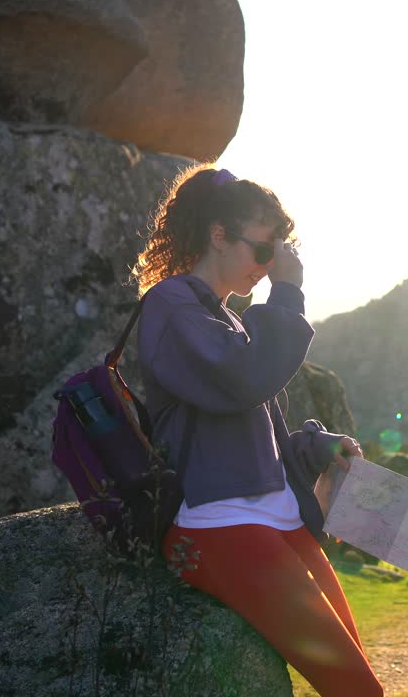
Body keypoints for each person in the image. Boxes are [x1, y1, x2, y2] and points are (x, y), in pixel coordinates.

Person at [131, 164, 384, 697]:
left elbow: (252, 435)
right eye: (263, 252)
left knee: (359, 679)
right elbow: (243, 382)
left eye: (277, 257)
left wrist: (320, 446)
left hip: (274, 518)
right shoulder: (170, 308)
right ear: (218, 236)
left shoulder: (227, 318)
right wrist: (287, 294)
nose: (268, 268)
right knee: (358, 690)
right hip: (220, 526)